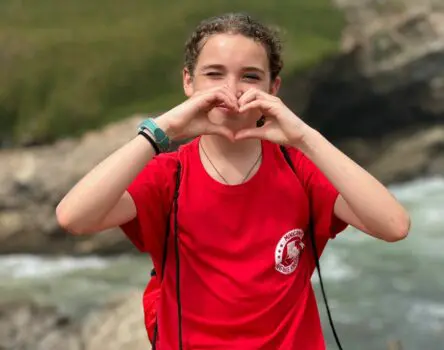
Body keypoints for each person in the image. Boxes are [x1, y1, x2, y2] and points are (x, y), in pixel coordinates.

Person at [56, 12, 411, 350]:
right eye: (214, 74)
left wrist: (304, 136)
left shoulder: (299, 169)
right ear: (188, 81)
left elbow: (393, 224)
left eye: (251, 76)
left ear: (274, 87)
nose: (231, 89)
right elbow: (74, 217)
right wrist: (161, 131)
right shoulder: (171, 175)